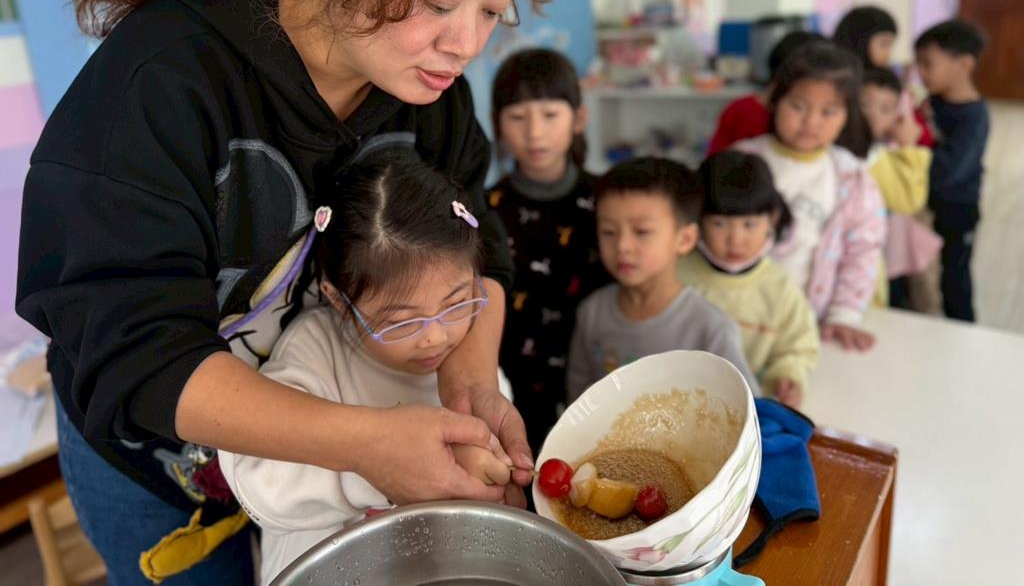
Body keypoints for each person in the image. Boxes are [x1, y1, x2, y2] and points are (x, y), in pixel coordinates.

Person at [16, 0, 571, 582]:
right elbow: (137, 353)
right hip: (161, 466)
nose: (466, 44)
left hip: (331, 436)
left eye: (491, 9)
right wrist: (366, 444)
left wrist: (471, 381)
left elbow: (482, 240)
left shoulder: (430, 96)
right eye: (441, 1)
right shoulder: (160, 85)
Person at [220, 159, 515, 584]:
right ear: (338, 301)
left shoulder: (469, 357)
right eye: (402, 322)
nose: (435, 337)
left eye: (456, 303)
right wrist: (381, 467)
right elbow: (260, 480)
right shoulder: (316, 351)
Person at [486, 48, 608, 454]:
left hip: (599, 374)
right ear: (498, 124)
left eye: (550, 115)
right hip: (514, 383)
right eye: (518, 117)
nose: (534, 132)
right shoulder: (484, 209)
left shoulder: (609, 200)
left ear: (579, 118)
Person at [734, 41, 886, 352]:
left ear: (847, 115)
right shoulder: (740, 163)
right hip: (737, 319)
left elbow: (862, 251)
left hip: (809, 323)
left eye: (828, 111)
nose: (811, 122)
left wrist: (844, 314)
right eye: (798, 106)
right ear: (774, 99)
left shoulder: (852, 178)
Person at [566, 158, 759, 402]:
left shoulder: (711, 329)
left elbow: (749, 408)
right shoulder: (592, 312)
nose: (623, 246)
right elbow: (578, 398)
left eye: (642, 232)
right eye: (609, 232)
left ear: (685, 239)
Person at [678, 152, 818, 408]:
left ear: (772, 219)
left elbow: (797, 347)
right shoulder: (675, 274)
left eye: (750, 225)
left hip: (745, 407)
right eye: (719, 224)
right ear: (697, 219)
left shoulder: (780, 288)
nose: (736, 240)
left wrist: (788, 375)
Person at [914, 20, 990, 322]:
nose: (921, 72)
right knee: (924, 274)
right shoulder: (932, 102)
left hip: (958, 209)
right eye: (918, 63)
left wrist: (914, 143)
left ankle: (965, 330)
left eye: (928, 63)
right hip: (927, 207)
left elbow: (946, 171)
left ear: (964, 65)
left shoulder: (974, 116)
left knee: (955, 278)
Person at [859, 65, 941, 308]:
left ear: (896, 116)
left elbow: (909, 201)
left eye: (885, 109)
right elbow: (910, 199)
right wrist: (908, 147)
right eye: (864, 105)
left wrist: (907, 146)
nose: (873, 116)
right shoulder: (870, 156)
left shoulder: (880, 154)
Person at [706, 31, 823, 156]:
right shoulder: (741, 112)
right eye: (797, 106)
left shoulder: (739, 108)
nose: (811, 121)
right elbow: (714, 161)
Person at [833, 5, 935, 148]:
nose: (888, 53)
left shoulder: (890, 81)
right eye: (884, 44)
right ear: (861, 40)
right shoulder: (841, 82)